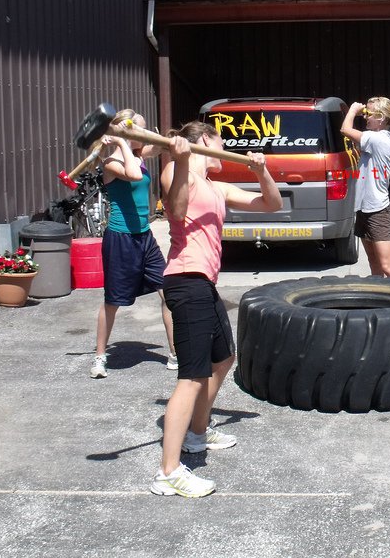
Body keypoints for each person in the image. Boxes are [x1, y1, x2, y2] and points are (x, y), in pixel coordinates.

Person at [149, 121, 281, 498]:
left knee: (223, 360)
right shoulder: (177, 168)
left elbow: (270, 204)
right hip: (185, 280)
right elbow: (175, 212)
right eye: (220, 139)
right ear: (204, 140)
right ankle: (168, 472)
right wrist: (180, 160)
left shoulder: (217, 186)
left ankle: (196, 434)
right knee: (190, 377)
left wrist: (262, 170)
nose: (226, 147)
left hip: (204, 283)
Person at [90, 109, 175, 379]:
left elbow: (161, 142)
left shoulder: (138, 155)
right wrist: (121, 141)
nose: (143, 134)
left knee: (168, 293)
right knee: (113, 301)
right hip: (121, 238)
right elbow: (134, 176)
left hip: (144, 237)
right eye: (138, 130)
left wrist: (134, 135)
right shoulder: (110, 164)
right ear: (125, 134)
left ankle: (175, 353)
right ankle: (100, 357)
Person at [340, 97, 390, 277]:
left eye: (369, 114)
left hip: (377, 210)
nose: (365, 117)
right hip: (364, 208)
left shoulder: (379, 139)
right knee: (374, 264)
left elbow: (345, 130)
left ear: (381, 118)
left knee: (387, 266)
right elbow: (353, 141)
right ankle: (380, 301)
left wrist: (352, 110)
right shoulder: (373, 139)